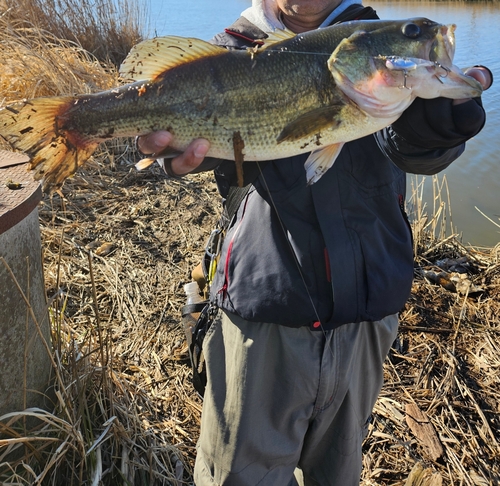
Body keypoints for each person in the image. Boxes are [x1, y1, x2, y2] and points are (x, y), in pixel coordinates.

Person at [138, 1, 492, 484]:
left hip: (365, 309)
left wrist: (439, 126)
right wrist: (166, 154)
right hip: (261, 307)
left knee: (336, 472)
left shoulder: (371, 41)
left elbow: (409, 146)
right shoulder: (226, 52)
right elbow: (178, 141)